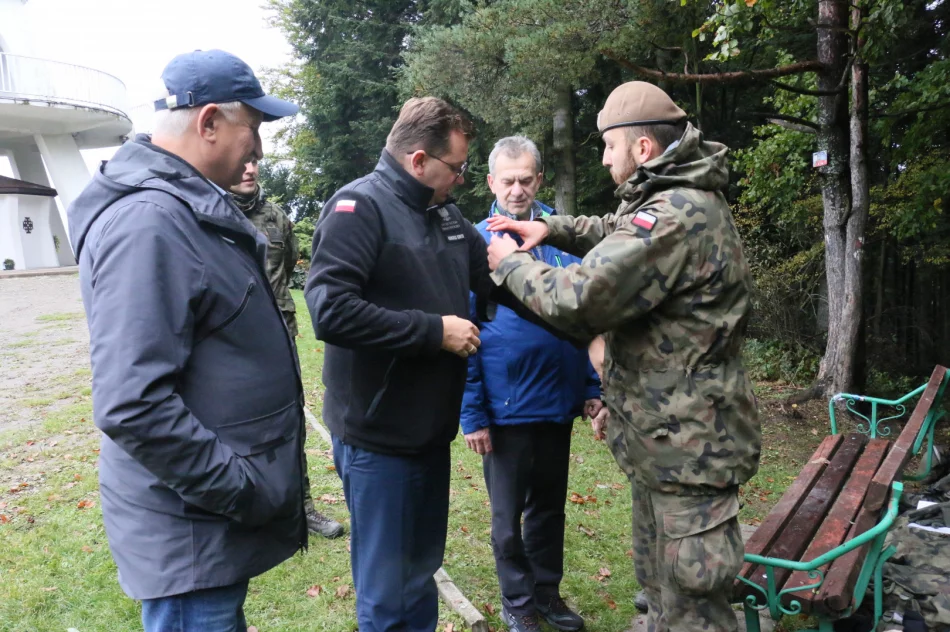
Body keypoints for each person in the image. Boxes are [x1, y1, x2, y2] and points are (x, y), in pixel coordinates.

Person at [485, 81, 761, 632]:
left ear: (642, 149)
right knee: (661, 594)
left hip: (689, 452)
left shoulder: (674, 215)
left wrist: (510, 263)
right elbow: (615, 230)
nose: (605, 157)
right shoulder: (670, 199)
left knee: (692, 609)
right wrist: (552, 226)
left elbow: (578, 299)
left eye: (609, 146)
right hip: (667, 445)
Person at [306, 97, 569, 632]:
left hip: (429, 434)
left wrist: (573, 300)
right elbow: (329, 311)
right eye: (458, 168)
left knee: (420, 572)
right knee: (386, 592)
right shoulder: (359, 208)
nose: (463, 180)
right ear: (419, 160)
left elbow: (499, 281)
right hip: (378, 437)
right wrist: (433, 331)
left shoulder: (445, 216)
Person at [67, 50, 304, 632]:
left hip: (205, 523)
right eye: (254, 128)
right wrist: (240, 490)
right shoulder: (150, 222)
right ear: (209, 124)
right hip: (191, 532)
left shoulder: (185, 208)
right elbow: (132, 402)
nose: (259, 147)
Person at [461, 136, 601, 632]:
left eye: (526, 180)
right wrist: (472, 413)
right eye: (508, 181)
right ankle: (517, 601)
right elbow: (465, 332)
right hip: (504, 406)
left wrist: (590, 387)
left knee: (549, 507)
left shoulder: (558, 239)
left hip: (557, 401)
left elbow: (580, 319)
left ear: (539, 179)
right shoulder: (475, 243)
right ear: (491, 182)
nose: (517, 191)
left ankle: (546, 592)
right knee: (507, 517)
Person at [229, 159, 344, 540]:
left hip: (279, 334)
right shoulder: (210, 210)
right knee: (234, 423)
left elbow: (291, 258)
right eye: (241, 161)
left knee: (290, 421)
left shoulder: (278, 217)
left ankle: (301, 507)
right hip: (229, 339)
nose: (249, 169)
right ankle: (245, 508)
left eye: (254, 161)